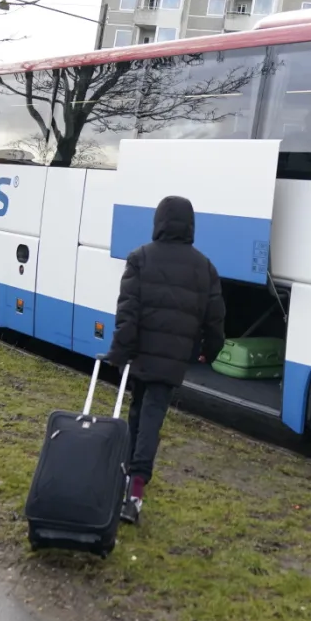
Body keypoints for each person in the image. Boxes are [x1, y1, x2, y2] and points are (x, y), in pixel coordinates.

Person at [103, 195, 225, 525]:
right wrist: (209, 352)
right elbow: (215, 319)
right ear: (190, 225)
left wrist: (119, 352)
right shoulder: (205, 267)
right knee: (151, 418)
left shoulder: (140, 258)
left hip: (140, 355)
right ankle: (134, 491)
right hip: (172, 360)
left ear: (159, 222)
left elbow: (127, 313)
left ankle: (127, 478)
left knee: (137, 412)